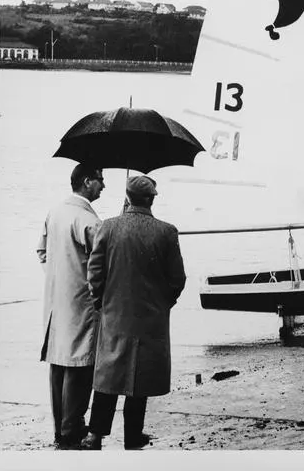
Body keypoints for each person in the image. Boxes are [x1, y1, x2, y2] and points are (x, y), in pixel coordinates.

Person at [81, 175, 186, 450]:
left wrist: (100, 302)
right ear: (152, 199)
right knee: (140, 377)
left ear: (127, 198)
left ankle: (95, 434)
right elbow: (177, 279)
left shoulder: (108, 227)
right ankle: (132, 435)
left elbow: (94, 272)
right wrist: (164, 303)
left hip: (115, 314)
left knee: (108, 375)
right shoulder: (166, 231)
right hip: (151, 317)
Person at [37, 164, 105, 449]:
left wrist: (59, 274)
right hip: (81, 302)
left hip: (55, 301)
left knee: (58, 364)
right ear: (87, 182)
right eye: (100, 181)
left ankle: (60, 427)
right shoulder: (87, 219)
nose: (103, 186)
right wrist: (93, 288)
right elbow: (102, 262)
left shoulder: (56, 211)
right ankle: (70, 429)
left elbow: (42, 251)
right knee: (80, 364)